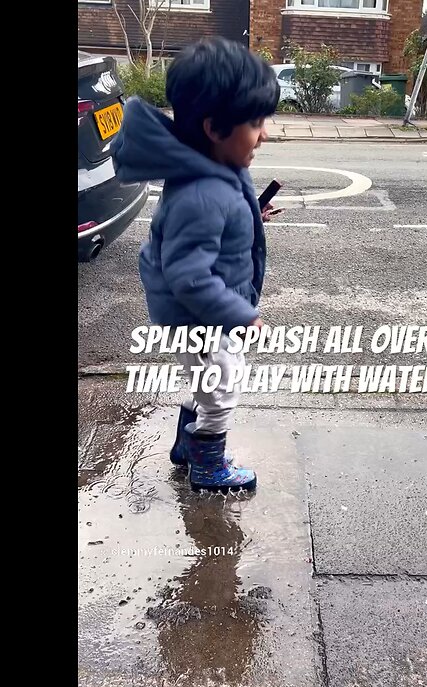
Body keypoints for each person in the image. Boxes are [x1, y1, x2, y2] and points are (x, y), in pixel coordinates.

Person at [113, 38, 281, 493]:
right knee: (223, 390)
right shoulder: (203, 194)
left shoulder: (215, 171)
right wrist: (244, 315)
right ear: (213, 128)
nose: (264, 134)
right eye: (254, 122)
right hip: (198, 319)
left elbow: (213, 231)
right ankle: (208, 468)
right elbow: (189, 275)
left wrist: (252, 217)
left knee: (208, 381)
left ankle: (187, 448)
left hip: (201, 316)